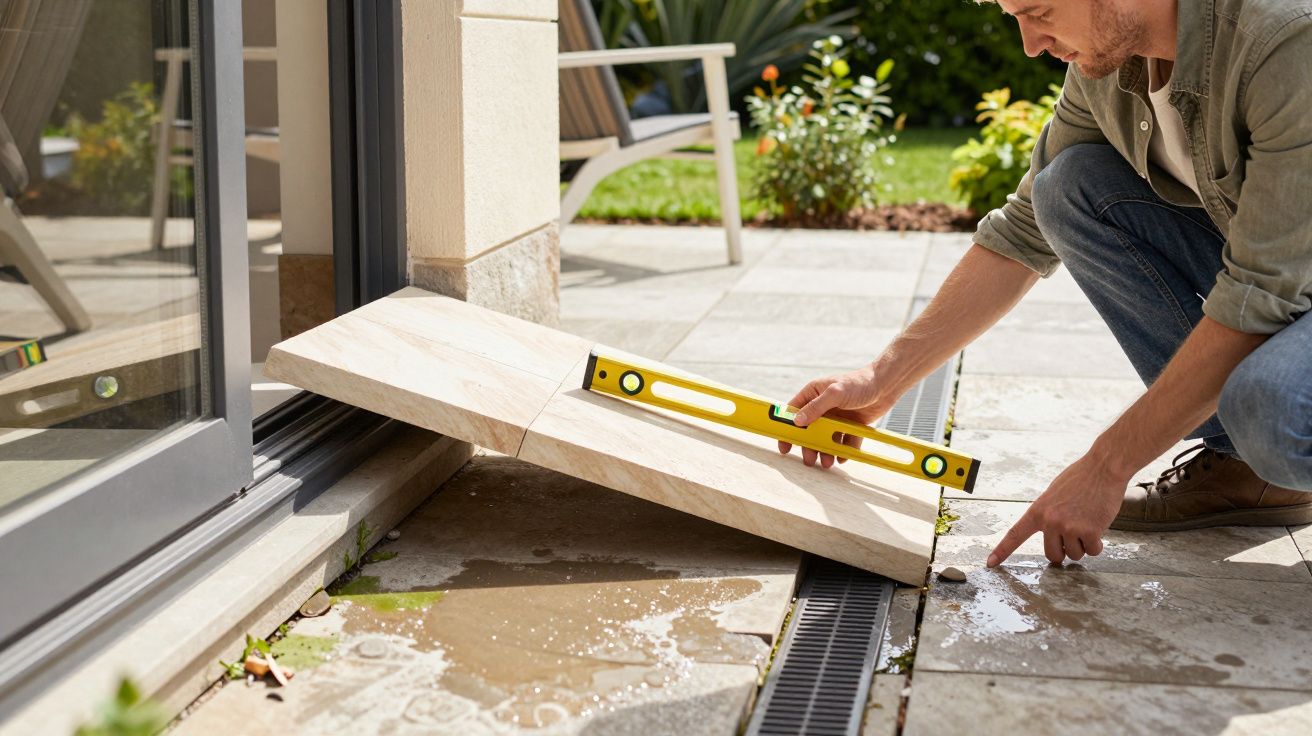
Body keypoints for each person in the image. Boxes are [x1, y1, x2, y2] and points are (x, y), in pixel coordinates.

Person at [778, 0, 1312, 567]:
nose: (1031, 44)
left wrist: (1106, 466)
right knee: (1068, 187)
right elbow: (1024, 228)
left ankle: (1270, 443)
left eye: (1040, 12)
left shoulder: (1284, 40)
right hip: (1286, 270)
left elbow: (1261, 296)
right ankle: (1247, 471)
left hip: (1284, 278)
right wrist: (880, 381)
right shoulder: (1109, 65)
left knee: (1274, 412)